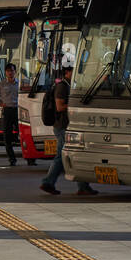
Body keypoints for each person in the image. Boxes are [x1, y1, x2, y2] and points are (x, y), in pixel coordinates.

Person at [40, 65, 97, 196]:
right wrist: (76, 105)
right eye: (74, 72)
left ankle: (82, 185)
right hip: (62, 127)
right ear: (67, 72)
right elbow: (60, 107)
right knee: (61, 156)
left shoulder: (69, 85)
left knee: (76, 154)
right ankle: (48, 182)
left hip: (68, 126)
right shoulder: (62, 86)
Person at [0, 63, 30, 167]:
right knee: (7, 136)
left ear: (15, 72)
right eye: (8, 71)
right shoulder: (1, 84)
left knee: (24, 134)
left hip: (19, 111)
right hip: (7, 111)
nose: (10, 73)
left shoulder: (21, 83)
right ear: (6, 73)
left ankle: (30, 159)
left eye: (12, 70)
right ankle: (12, 159)